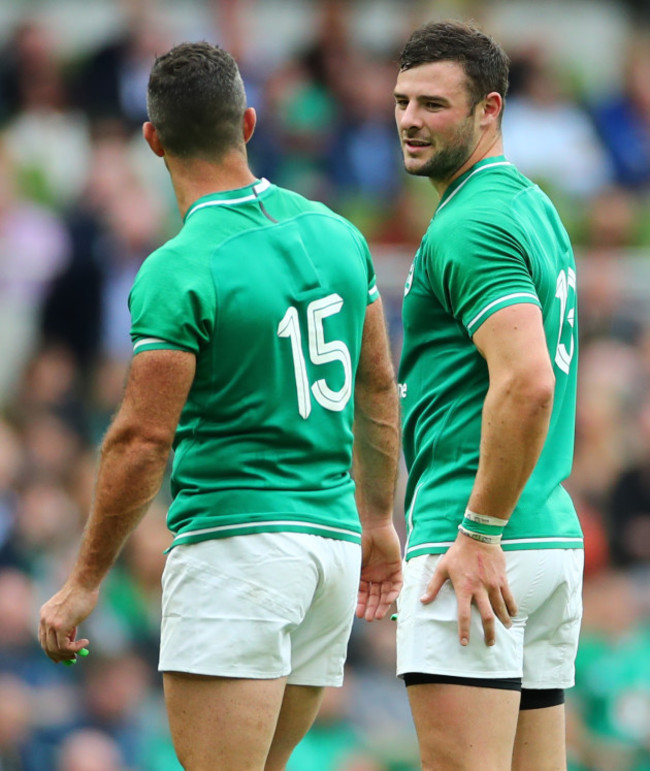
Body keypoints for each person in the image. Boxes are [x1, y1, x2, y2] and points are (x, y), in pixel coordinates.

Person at [39, 41, 403, 771]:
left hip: (240, 550)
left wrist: (83, 582)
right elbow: (376, 387)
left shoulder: (182, 265)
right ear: (248, 122)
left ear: (152, 139)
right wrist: (379, 518)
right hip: (329, 552)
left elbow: (142, 438)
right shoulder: (337, 233)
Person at [392, 21, 584, 771]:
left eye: (434, 104)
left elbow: (530, 380)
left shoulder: (471, 223)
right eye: (403, 101)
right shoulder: (529, 203)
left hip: (475, 540)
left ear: (489, 109)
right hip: (543, 534)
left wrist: (477, 530)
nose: (410, 119)